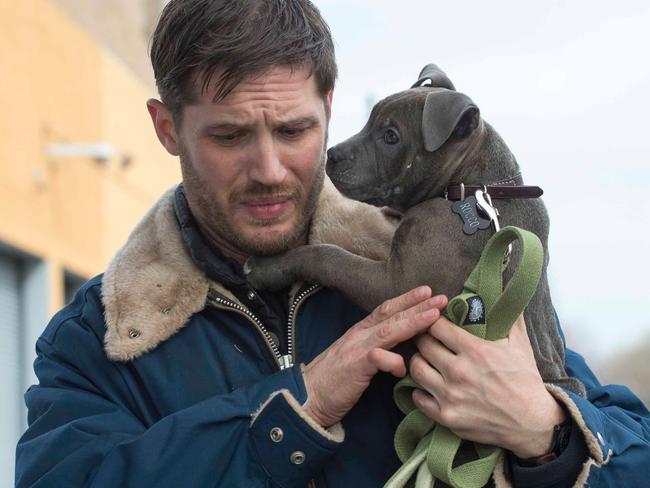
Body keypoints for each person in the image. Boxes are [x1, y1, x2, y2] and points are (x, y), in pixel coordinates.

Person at [15, 1, 650, 486]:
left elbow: (635, 450)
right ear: (166, 128)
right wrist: (295, 408)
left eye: (294, 129)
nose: (269, 168)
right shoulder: (93, 342)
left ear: (329, 108)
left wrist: (548, 436)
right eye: (231, 136)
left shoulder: (454, 270)